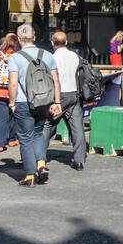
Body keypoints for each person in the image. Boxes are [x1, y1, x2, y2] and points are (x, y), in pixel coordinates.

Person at [6, 22, 62, 187]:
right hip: (44, 101)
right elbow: (56, 81)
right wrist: (56, 101)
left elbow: (13, 83)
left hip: (24, 102)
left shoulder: (15, 58)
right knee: (38, 133)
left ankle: (30, 175)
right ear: (34, 37)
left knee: (25, 137)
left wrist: (11, 102)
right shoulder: (47, 55)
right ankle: (41, 164)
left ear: (18, 39)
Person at [44, 31, 86, 171]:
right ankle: (79, 161)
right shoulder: (75, 55)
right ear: (66, 42)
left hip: (59, 96)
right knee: (77, 128)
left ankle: (40, 157)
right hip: (74, 94)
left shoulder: (51, 57)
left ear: (52, 43)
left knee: (48, 125)